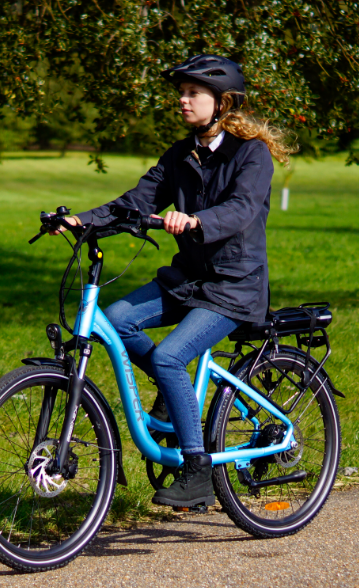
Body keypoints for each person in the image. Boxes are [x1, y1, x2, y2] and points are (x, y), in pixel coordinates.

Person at [56, 55, 295, 509]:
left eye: (193, 94)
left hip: (234, 287)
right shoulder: (180, 155)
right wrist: (77, 220)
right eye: (180, 94)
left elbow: (242, 209)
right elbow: (134, 202)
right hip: (188, 279)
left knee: (167, 356)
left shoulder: (251, 154)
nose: (182, 101)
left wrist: (195, 220)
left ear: (222, 102)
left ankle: (197, 469)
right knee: (119, 322)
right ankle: (173, 393)